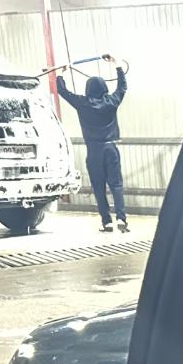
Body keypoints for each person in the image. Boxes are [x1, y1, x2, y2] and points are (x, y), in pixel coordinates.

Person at [56, 55, 129, 233]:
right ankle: (121, 218)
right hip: (111, 148)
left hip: (94, 150)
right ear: (104, 87)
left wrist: (61, 73)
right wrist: (117, 64)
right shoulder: (112, 101)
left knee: (98, 187)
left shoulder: (83, 103)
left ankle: (107, 222)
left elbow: (62, 91)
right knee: (116, 185)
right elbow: (122, 87)